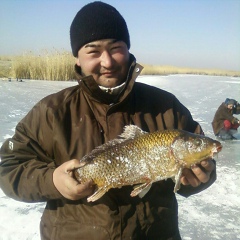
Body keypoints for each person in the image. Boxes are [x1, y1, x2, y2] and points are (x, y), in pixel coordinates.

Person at [0, 2, 217, 239]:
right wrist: (53, 181)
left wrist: (199, 178)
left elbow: (201, 164)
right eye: (93, 51)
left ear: (128, 49)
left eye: (116, 48)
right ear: (77, 59)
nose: (107, 62)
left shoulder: (166, 107)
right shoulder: (51, 112)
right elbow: (10, 167)